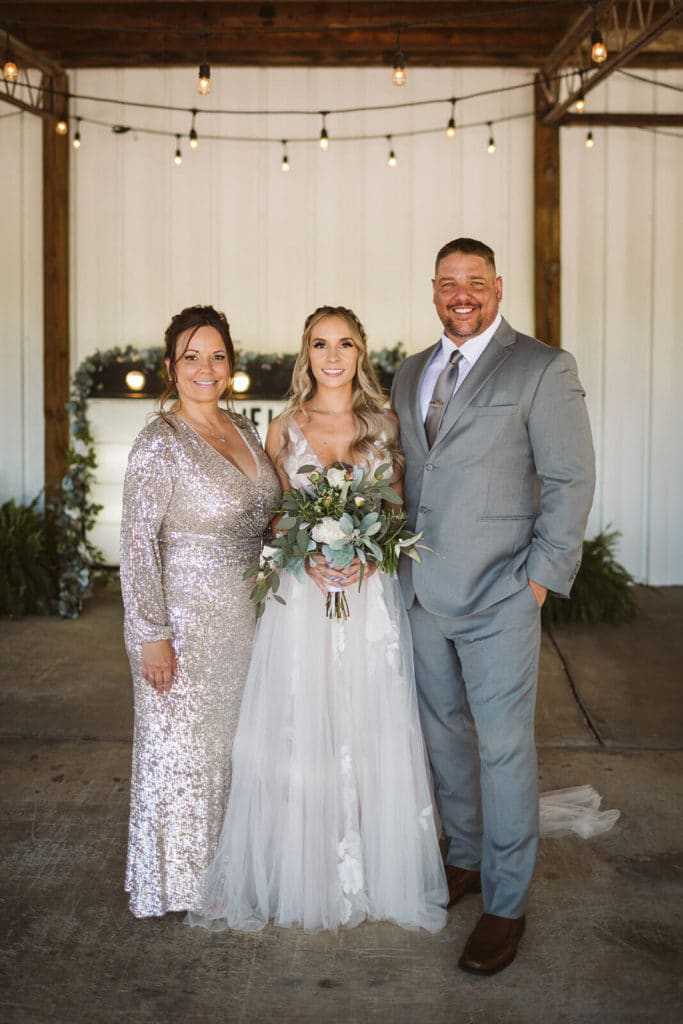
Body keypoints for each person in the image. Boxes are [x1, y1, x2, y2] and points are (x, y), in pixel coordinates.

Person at [188, 305, 448, 933]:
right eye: (320, 344)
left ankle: (372, 864)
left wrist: (366, 553)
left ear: (362, 353)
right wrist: (307, 551)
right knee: (301, 719)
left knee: (367, 715)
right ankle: (298, 861)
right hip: (303, 600)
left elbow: (401, 513)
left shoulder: (386, 426)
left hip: (368, 599)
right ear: (306, 355)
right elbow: (272, 515)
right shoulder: (282, 428)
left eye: (345, 345)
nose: (333, 357)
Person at [391, 238, 596, 974]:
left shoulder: (542, 367)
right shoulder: (410, 372)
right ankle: (467, 858)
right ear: (433, 290)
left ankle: (505, 903)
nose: (460, 294)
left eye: (474, 281)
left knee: (504, 750)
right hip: (421, 593)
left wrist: (537, 580)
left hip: (500, 594)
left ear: (498, 287)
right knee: (442, 737)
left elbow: (570, 480)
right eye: (447, 282)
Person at [120, 304, 281, 917]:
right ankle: (183, 884)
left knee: (238, 751)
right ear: (171, 367)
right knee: (184, 757)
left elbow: (259, 517)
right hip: (184, 627)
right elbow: (136, 542)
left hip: (249, 619)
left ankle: (234, 872)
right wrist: (151, 635)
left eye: (216, 356)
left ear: (231, 365)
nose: (205, 368)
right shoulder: (159, 442)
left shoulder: (241, 428)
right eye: (191, 357)